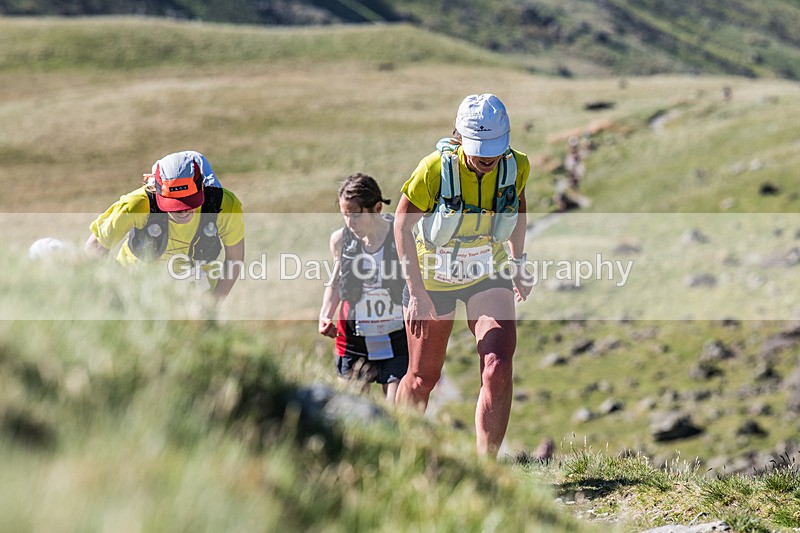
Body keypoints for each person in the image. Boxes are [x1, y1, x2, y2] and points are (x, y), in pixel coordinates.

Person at [394, 93, 532, 456]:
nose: (488, 158)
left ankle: (487, 468)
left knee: (497, 366)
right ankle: (400, 450)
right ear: (459, 136)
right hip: (432, 278)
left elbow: (517, 208)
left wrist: (518, 262)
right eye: (479, 149)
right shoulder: (433, 170)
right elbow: (402, 226)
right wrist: (416, 293)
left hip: (488, 272)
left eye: (494, 148)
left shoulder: (516, 166)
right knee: (423, 378)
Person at [84, 150, 245, 300]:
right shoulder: (137, 205)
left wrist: (212, 306)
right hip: (134, 291)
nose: (182, 210)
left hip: (195, 297)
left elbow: (234, 259)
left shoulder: (225, 206)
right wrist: (117, 290)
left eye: (190, 201)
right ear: (156, 190)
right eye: (174, 204)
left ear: (202, 189)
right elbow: (94, 248)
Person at [318, 173, 409, 404]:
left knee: (398, 411)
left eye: (356, 215)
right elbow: (337, 281)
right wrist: (325, 315)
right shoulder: (340, 240)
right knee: (353, 412)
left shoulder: (400, 236)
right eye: (345, 215)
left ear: (377, 208)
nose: (350, 222)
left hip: (397, 336)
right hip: (353, 340)